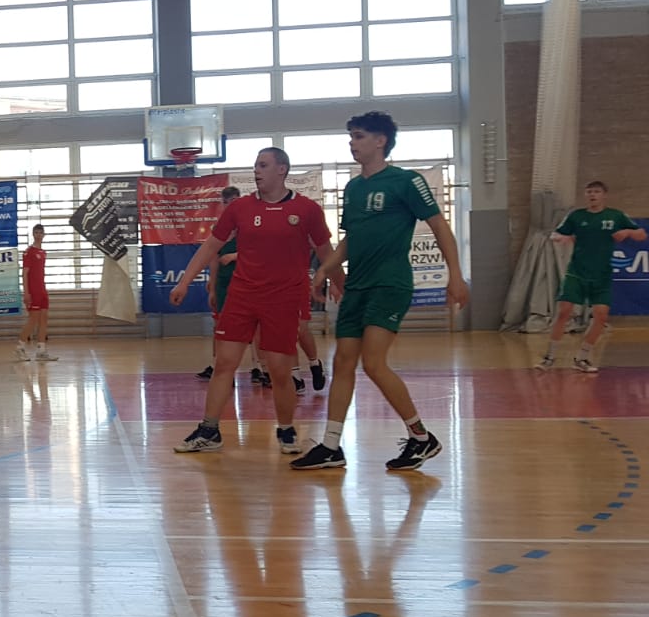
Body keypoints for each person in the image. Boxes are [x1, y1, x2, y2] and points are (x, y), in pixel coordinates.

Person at [291, 111, 469, 472]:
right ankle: (331, 446)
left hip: (389, 284)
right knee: (343, 362)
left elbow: (440, 226)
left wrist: (456, 276)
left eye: (358, 136)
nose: (352, 143)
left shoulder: (406, 181)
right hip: (357, 286)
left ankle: (421, 437)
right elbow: (350, 240)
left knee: (373, 363)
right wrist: (324, 269)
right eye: (351, 137)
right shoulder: (353, 188)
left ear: (380, 141)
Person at [172, 148, 334, 455]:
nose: (257, 170)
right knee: (224, 363)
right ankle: (209, 430)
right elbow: (211, 246)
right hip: (242, 296)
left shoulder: (307, 209)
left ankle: (286, 429)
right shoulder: (240, 208)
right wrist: (185, 281)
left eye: (263, 165)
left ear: (282, 169)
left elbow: (327, 253)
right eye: (255, 165)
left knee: (279, 370)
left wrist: (340, 284)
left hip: (283, 299)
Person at [536, 180, 645, 373]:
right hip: (577, 272)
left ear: (604, 195)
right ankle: (549, 357)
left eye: (596, 191)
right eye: (589, 192)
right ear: (585, 195)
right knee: (564, 311)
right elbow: (554, 235)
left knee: (601, 316)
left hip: (601, 275)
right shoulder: (576, 216)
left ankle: (582, 358)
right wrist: (563, 237)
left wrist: (628, 232)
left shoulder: (615, 216)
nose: (592, 195)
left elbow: (641, 234)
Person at [196, 186, 240, 382]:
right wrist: (212, 285)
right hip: (223, 282)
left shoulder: (249, 224)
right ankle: (218, 366)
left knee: (255, 329)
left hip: (245, 282)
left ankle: (260, 368)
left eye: (234, 201)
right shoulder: (219, 228)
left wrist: (235, 256)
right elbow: (213, 258)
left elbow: (259, 252)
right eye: (226, 202)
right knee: (220, 326)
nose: (230, 205)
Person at [15, 223, 57, 362]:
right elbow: (25, 273)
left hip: (42, 289)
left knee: (44, 319)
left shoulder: (43, 253)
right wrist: (26, 292)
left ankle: (41, 350)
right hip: (33, 291)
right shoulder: (29, 252)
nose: (38, 235)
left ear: (44, 235)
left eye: (41, 232)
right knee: (33, 319)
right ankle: (20, 347)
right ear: (33, 234)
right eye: (36, 232)